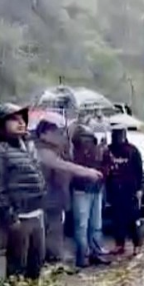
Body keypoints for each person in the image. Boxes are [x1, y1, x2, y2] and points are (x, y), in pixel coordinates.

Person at [0, 103, 48, 280]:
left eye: (22, 120)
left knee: (36, 266)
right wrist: (10, 218)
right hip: (19, 218)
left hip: (36, 215)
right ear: (1, 124)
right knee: (17, 270)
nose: (21, 123)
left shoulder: (26, 147)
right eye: (14, 120)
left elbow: (37, 177)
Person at [33, 114, 103, 266]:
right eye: (56, 133)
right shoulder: (40, 151)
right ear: (44, 134)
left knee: (56, 229)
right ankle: (52, 260)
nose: (60, 136)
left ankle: (54, 259)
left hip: (57, 198)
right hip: (45, 199)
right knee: (50, 231)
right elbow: (62, 166)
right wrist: (87, 172)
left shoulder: (59, 149)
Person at [72, 126, 112, 267]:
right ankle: (86, 255)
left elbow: (107, 166)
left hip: (90, 189)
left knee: (88, 225)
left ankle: (88, 255)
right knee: (88, 225)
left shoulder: (98, 149)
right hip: (84, 189)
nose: (86, 142)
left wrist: (102, 175)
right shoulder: (75, 151)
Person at [107, 127, 144, 256]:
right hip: (115, 189)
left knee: (133, 218)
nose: (118, 137)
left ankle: (137, 244)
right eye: (115, 134)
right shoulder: (109, 150)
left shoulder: (132, 150)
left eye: (120, 134)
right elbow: (106, 168)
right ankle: (119, 244)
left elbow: (139, 170)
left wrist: (139, 188)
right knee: (117, 219)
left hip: (130, 189)